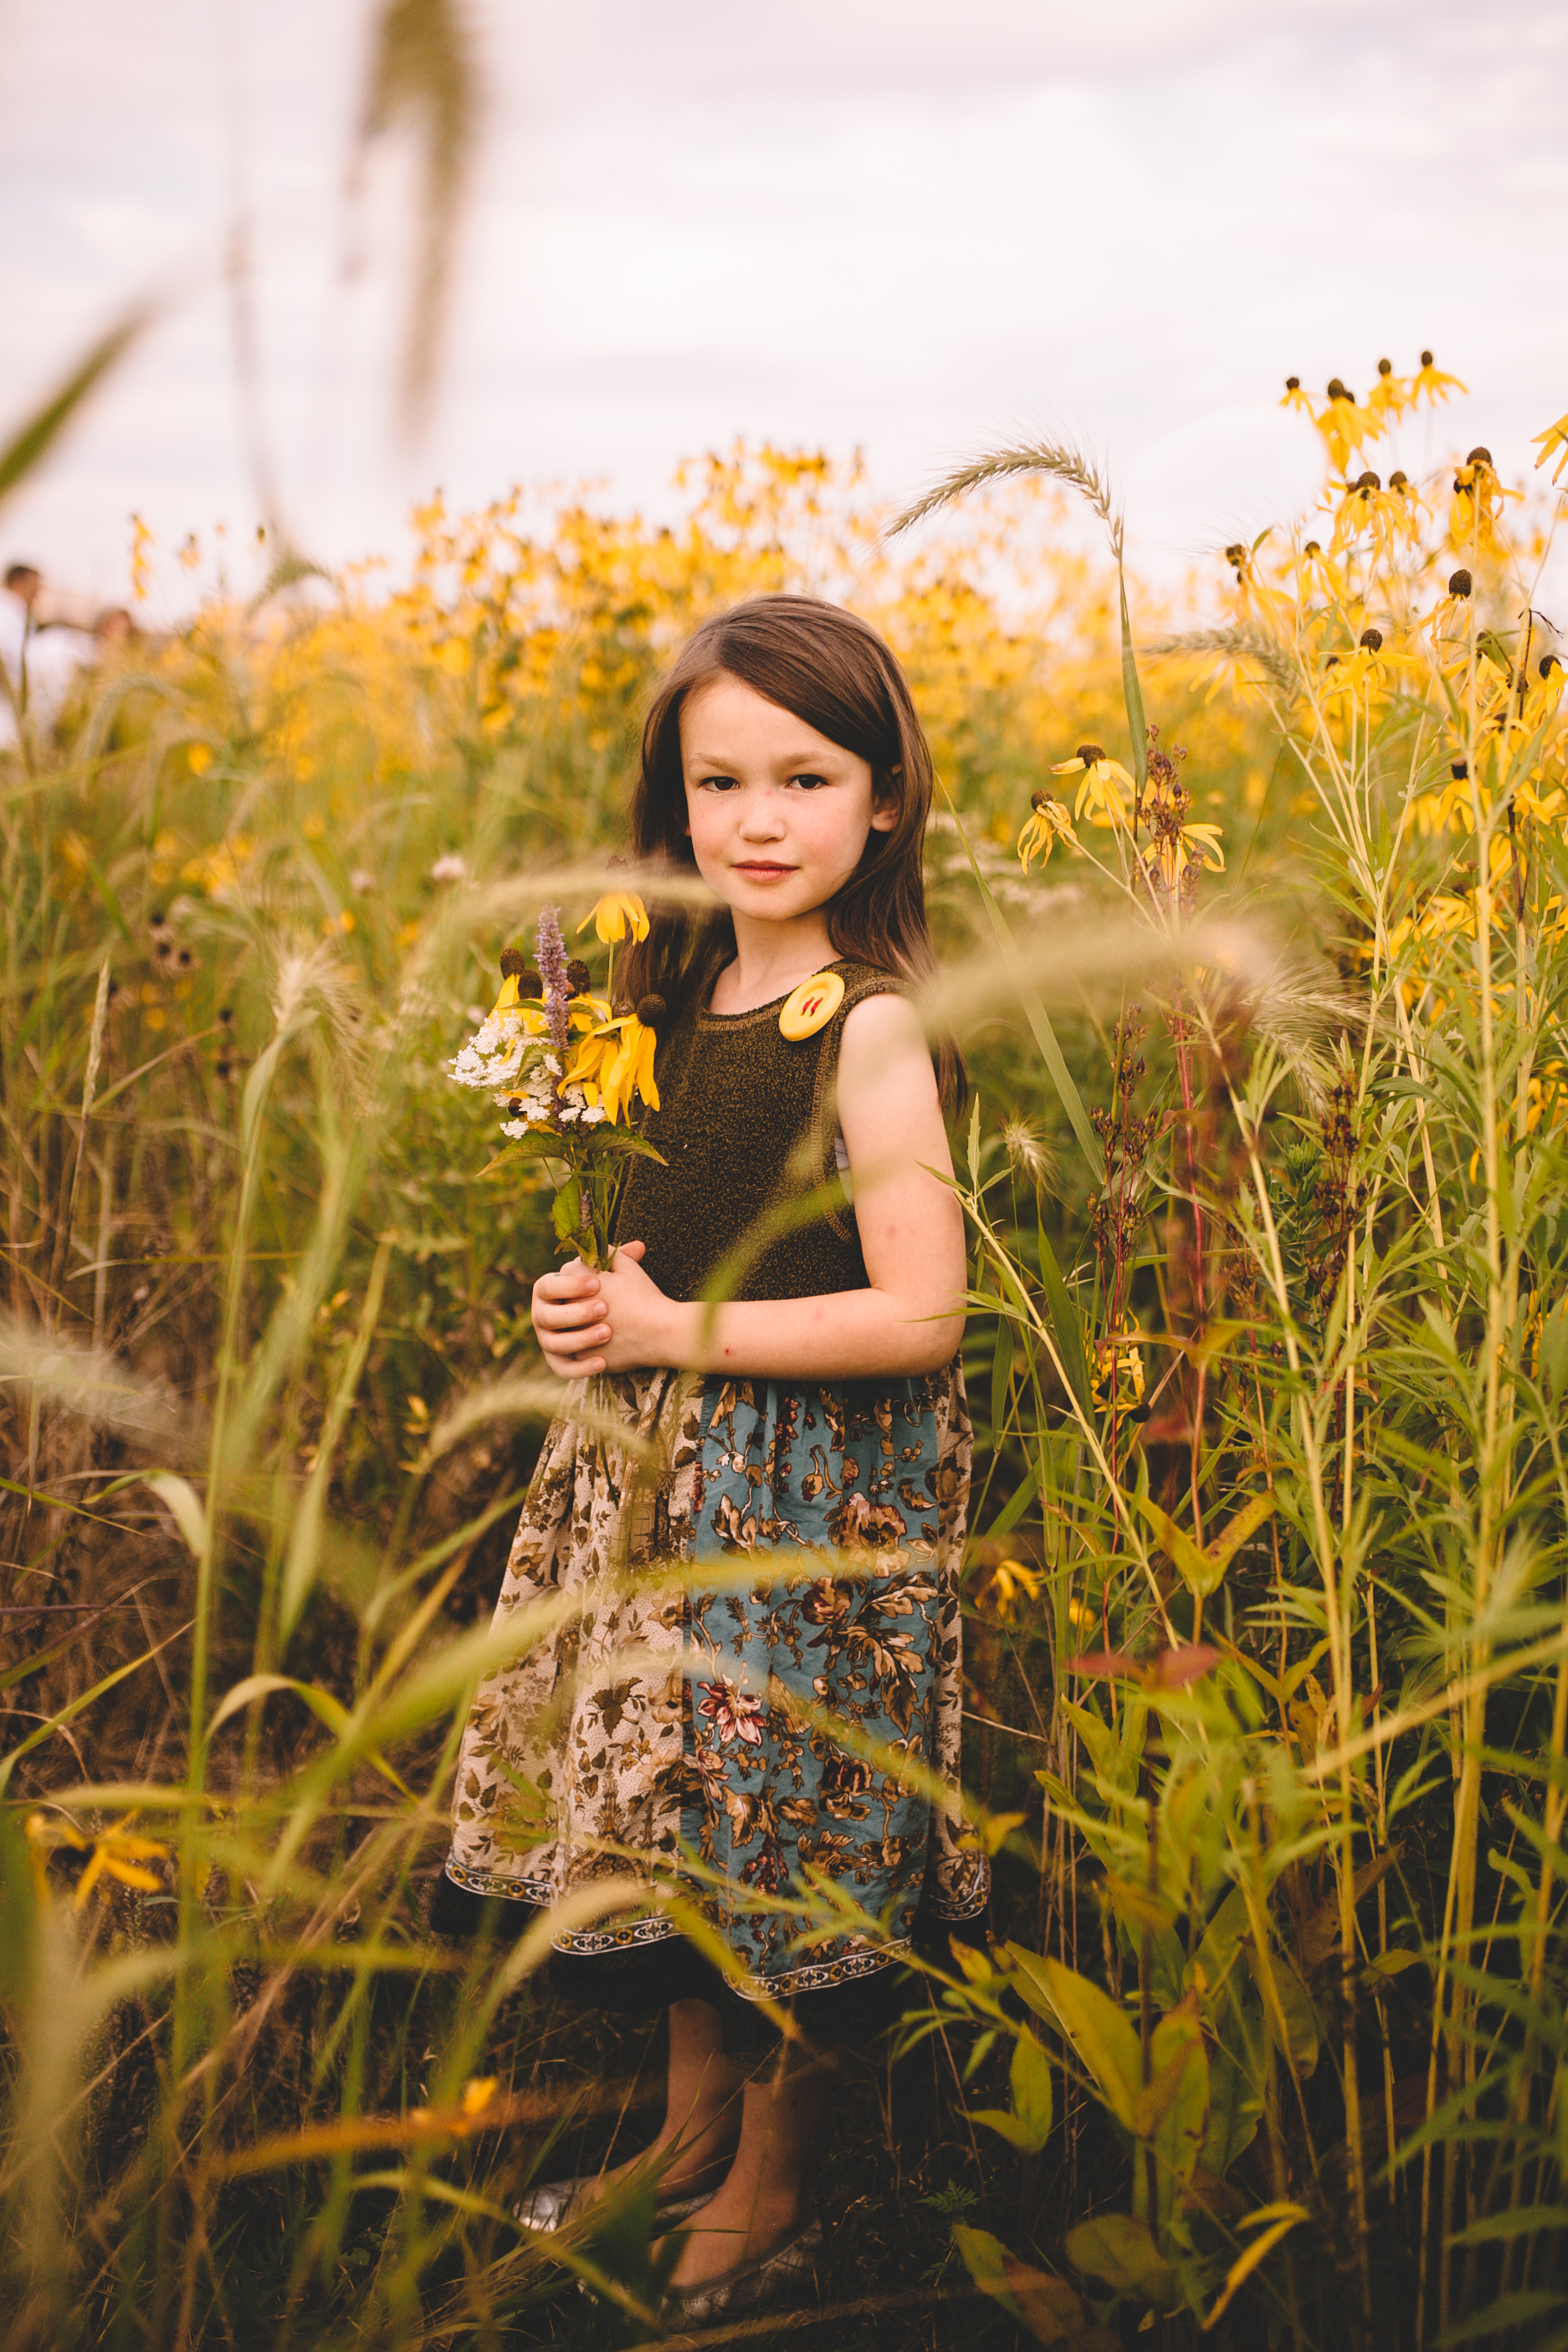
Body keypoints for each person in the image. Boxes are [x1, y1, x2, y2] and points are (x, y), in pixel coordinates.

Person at [432, 594, 986, 2322]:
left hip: (810, 1520)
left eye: (803, 778)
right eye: (717, 780)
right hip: (653, 1501)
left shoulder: (865, 1024)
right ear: (671, 799)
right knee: (671, 1827)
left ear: (883, 798)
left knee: (789, 1845)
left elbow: (919, 1312)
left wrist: (685, 1339)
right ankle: (681, 2137)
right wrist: (587, 1309)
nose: (755, 820)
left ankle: (773, 2172)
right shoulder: (651, 1004)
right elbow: (649, 1238)